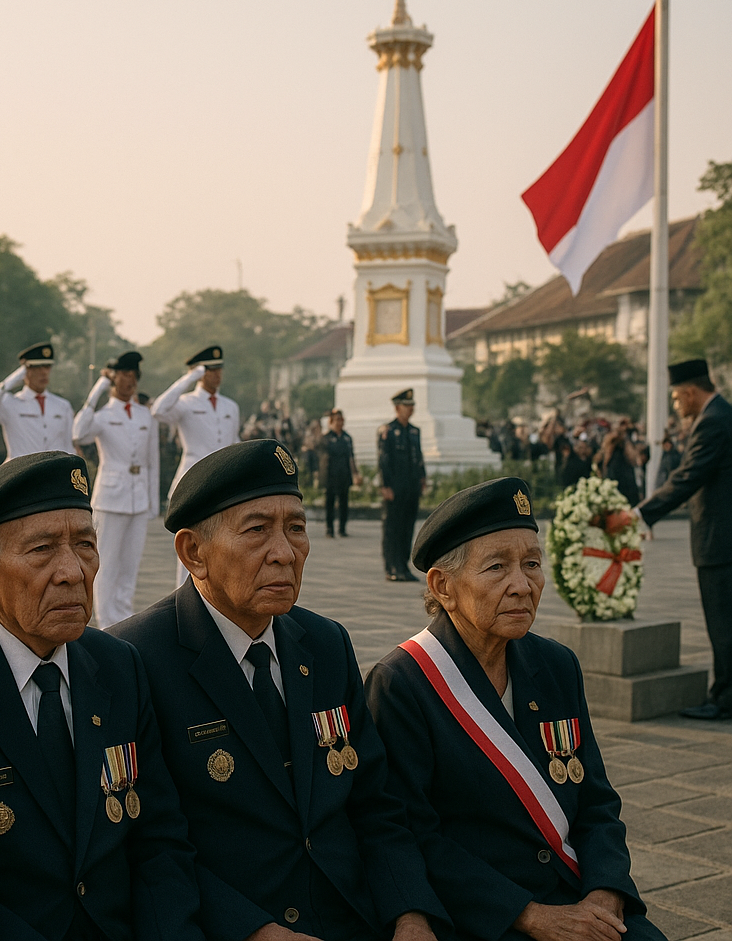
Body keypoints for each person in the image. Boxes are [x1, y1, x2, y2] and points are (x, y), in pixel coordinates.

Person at [111, 439, 448, 941]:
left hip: (352, 917)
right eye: (257, 531)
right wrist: (253, 930)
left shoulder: (324, 643)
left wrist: (411, 914)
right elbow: (148, 842)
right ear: (193, 552)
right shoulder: (136, 658)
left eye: (296, 528)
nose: (285, 554)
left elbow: (375, 803)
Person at [0, 451, 205, 941]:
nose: (73, 571)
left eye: (86, 545)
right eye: (42, 549)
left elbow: (159, 841)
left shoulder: (118, 666)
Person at [365, 477, 667, 941]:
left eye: (531, 564)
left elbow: (596, 801)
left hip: (578, 893)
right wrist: (531, 916)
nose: (522, 586)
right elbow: (412, 834)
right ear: (443, 586)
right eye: (497, 568)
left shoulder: (556, 664)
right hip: (487, 916)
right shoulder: (403, 683)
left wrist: (605, 894)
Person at [636, 359, 732, 721]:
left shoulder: (713, 422)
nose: (677, 405)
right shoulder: (724, 414)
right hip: (723, 538)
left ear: (691, 392)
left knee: (723, 624)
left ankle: (724, 699)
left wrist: (640, 513)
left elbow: (688, 476)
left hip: (719, 540)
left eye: (677, 398)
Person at [73, 352, 159, 629]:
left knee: (129, 566)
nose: (130, 381)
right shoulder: (103, 415)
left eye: (134, 375)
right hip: (111, 497)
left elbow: (152, 461)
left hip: (138, 496)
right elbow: (78, 432)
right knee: (106, 565)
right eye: (124, 375)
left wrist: (152, 500)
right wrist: (98, 387)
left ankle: (122, 620)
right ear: (114, 379)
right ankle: (106, 623)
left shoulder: (146, 415)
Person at [151, 346, 240, 587]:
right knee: (189, 551)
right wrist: (188, 378)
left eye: (219, 369)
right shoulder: (185, 403)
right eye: (210, 370)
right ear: (201, 372)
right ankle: (185, 602)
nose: (217, 375)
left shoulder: (230, 406)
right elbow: (158, 410)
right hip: (192, 484)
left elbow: (234, 444)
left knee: (223, 549)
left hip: (222, 486)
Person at [0, 342, 75, 463]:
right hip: (21, 474)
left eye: (47, 366)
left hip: (53, 475)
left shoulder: (62, 406)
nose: (44, 372)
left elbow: (69, 447)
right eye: (37, 367)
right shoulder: (10, 403)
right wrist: (9, 382)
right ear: (24, 371)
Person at [379, 389, 425, 582]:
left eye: (412, 406)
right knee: (393, 527)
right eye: (407, 406)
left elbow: (419, 458)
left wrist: (422, 479)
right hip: (395, 488)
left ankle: (404, 566)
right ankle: (392, 566)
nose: (411, 409)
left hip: (411, 487)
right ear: (398, 408)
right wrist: (385, 485)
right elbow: (384, 460)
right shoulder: (387, 431)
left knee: (407, 527)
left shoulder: (415, 431)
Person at [321, 409, 361, 539]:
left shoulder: (347, 438)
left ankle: (342, 528)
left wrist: (355, 473)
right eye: (337, 420)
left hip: (344, 474)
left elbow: (351, 457)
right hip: (331, 475)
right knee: (330, 503)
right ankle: (329, 529)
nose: (339, 423)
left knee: (344, 503)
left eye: (341, 420)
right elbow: (323, 456)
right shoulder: (326, 438)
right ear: (331, 422)